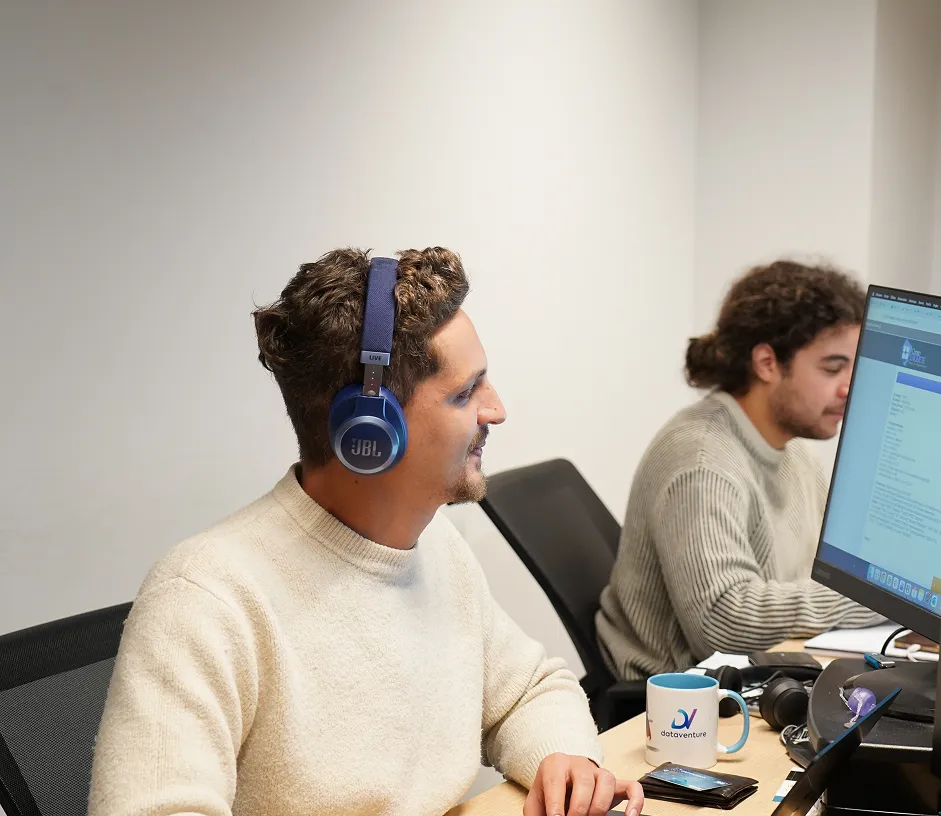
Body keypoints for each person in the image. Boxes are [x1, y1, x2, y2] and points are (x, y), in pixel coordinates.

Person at [88, 247, 644, 816]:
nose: (495, 409)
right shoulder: (203, 602)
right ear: (370, 434)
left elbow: (527, 690)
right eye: (464, 393)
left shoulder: (436, 548)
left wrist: (565, 759)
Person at [596, 260, 884, 681]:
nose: (849, 387)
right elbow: (722, 622)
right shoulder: (701, 461)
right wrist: (871, 600)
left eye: (854, 367)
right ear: (767, 363)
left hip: (764, 672)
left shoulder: (793, 449)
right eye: (832, 368)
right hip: (683, 704)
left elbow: (826, 568)